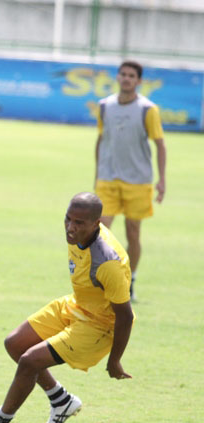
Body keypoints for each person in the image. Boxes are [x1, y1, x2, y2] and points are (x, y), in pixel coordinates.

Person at [0, 193, 133, 423]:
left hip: (99, 326)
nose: (70, 228)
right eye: (68, 219)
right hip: (77, 305)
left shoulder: (107, 262)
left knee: (29, 361)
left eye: (79, 223)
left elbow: (125, 316)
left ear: (97, 223)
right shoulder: (79, 235)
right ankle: (62, 401)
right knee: (15, 343)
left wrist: (114, 360)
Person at [95, 60, 166, 301]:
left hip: (138, 181)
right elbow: (101, 140)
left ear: (139, 81)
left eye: (131, 76)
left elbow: (160, 144)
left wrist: (162, 179)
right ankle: (103, 280)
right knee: (100, 231)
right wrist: (97, 174)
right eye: (123, 74)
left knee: (132, 233)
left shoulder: (148, 110)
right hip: (108, 179)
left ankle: (130, 280)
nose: (126, 79)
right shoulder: (105, 106)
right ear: (117, 77)